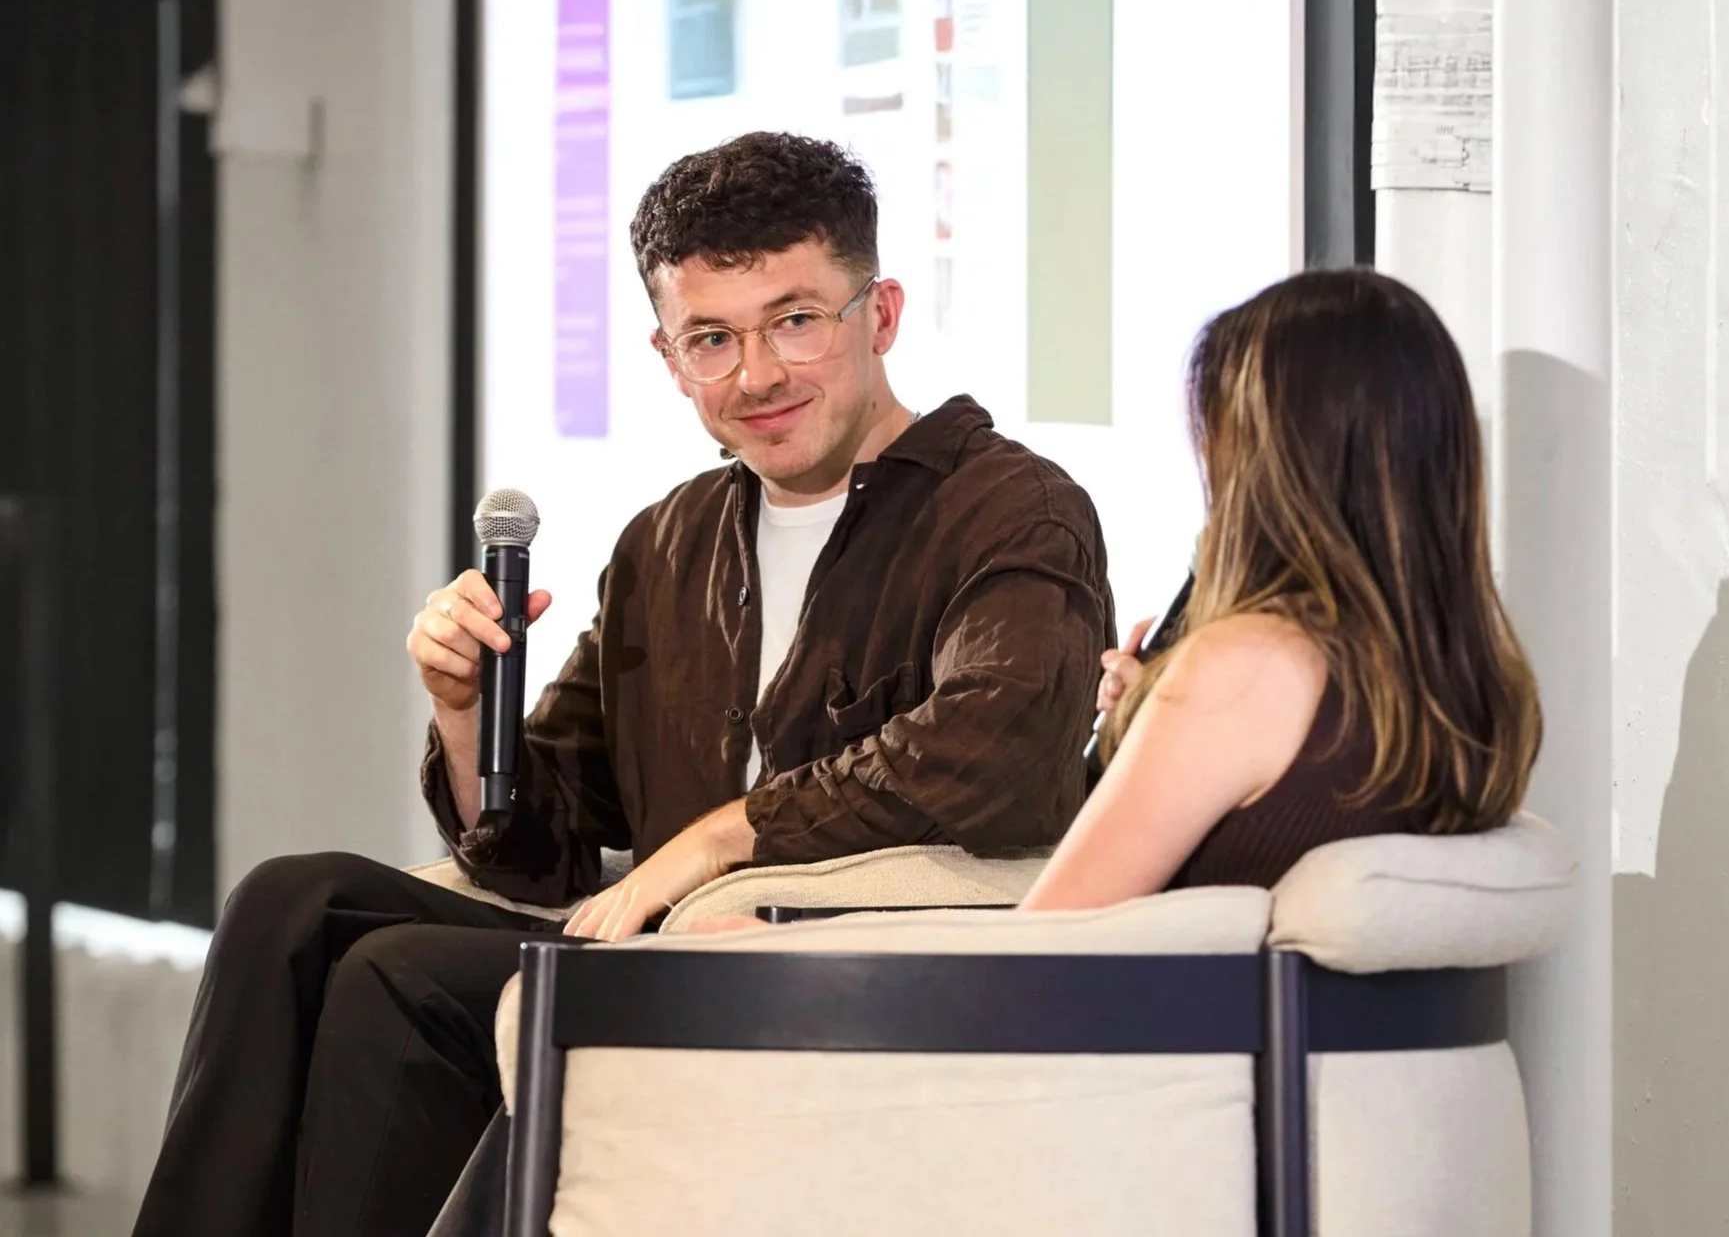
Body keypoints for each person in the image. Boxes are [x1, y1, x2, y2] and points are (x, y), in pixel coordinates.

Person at [130, 132, 1114, 1237]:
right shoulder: (671, 540)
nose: (755, 376)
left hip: (816, 960)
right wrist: (465, 716)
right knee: (290, 898)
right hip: (655, 942)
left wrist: (718, 837)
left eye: (795, 320)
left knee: (399, 977)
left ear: (877, 315)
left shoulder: (1009, 507)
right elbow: (546, 848)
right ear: (666, 354)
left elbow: (999, 746)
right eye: (710, 338)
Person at [1020, 268, 1542, 907]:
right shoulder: (1472, 688)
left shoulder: (1245, 668)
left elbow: (1044, 948)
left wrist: (1185, 696)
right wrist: (1152, 721)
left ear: (1273, 465)